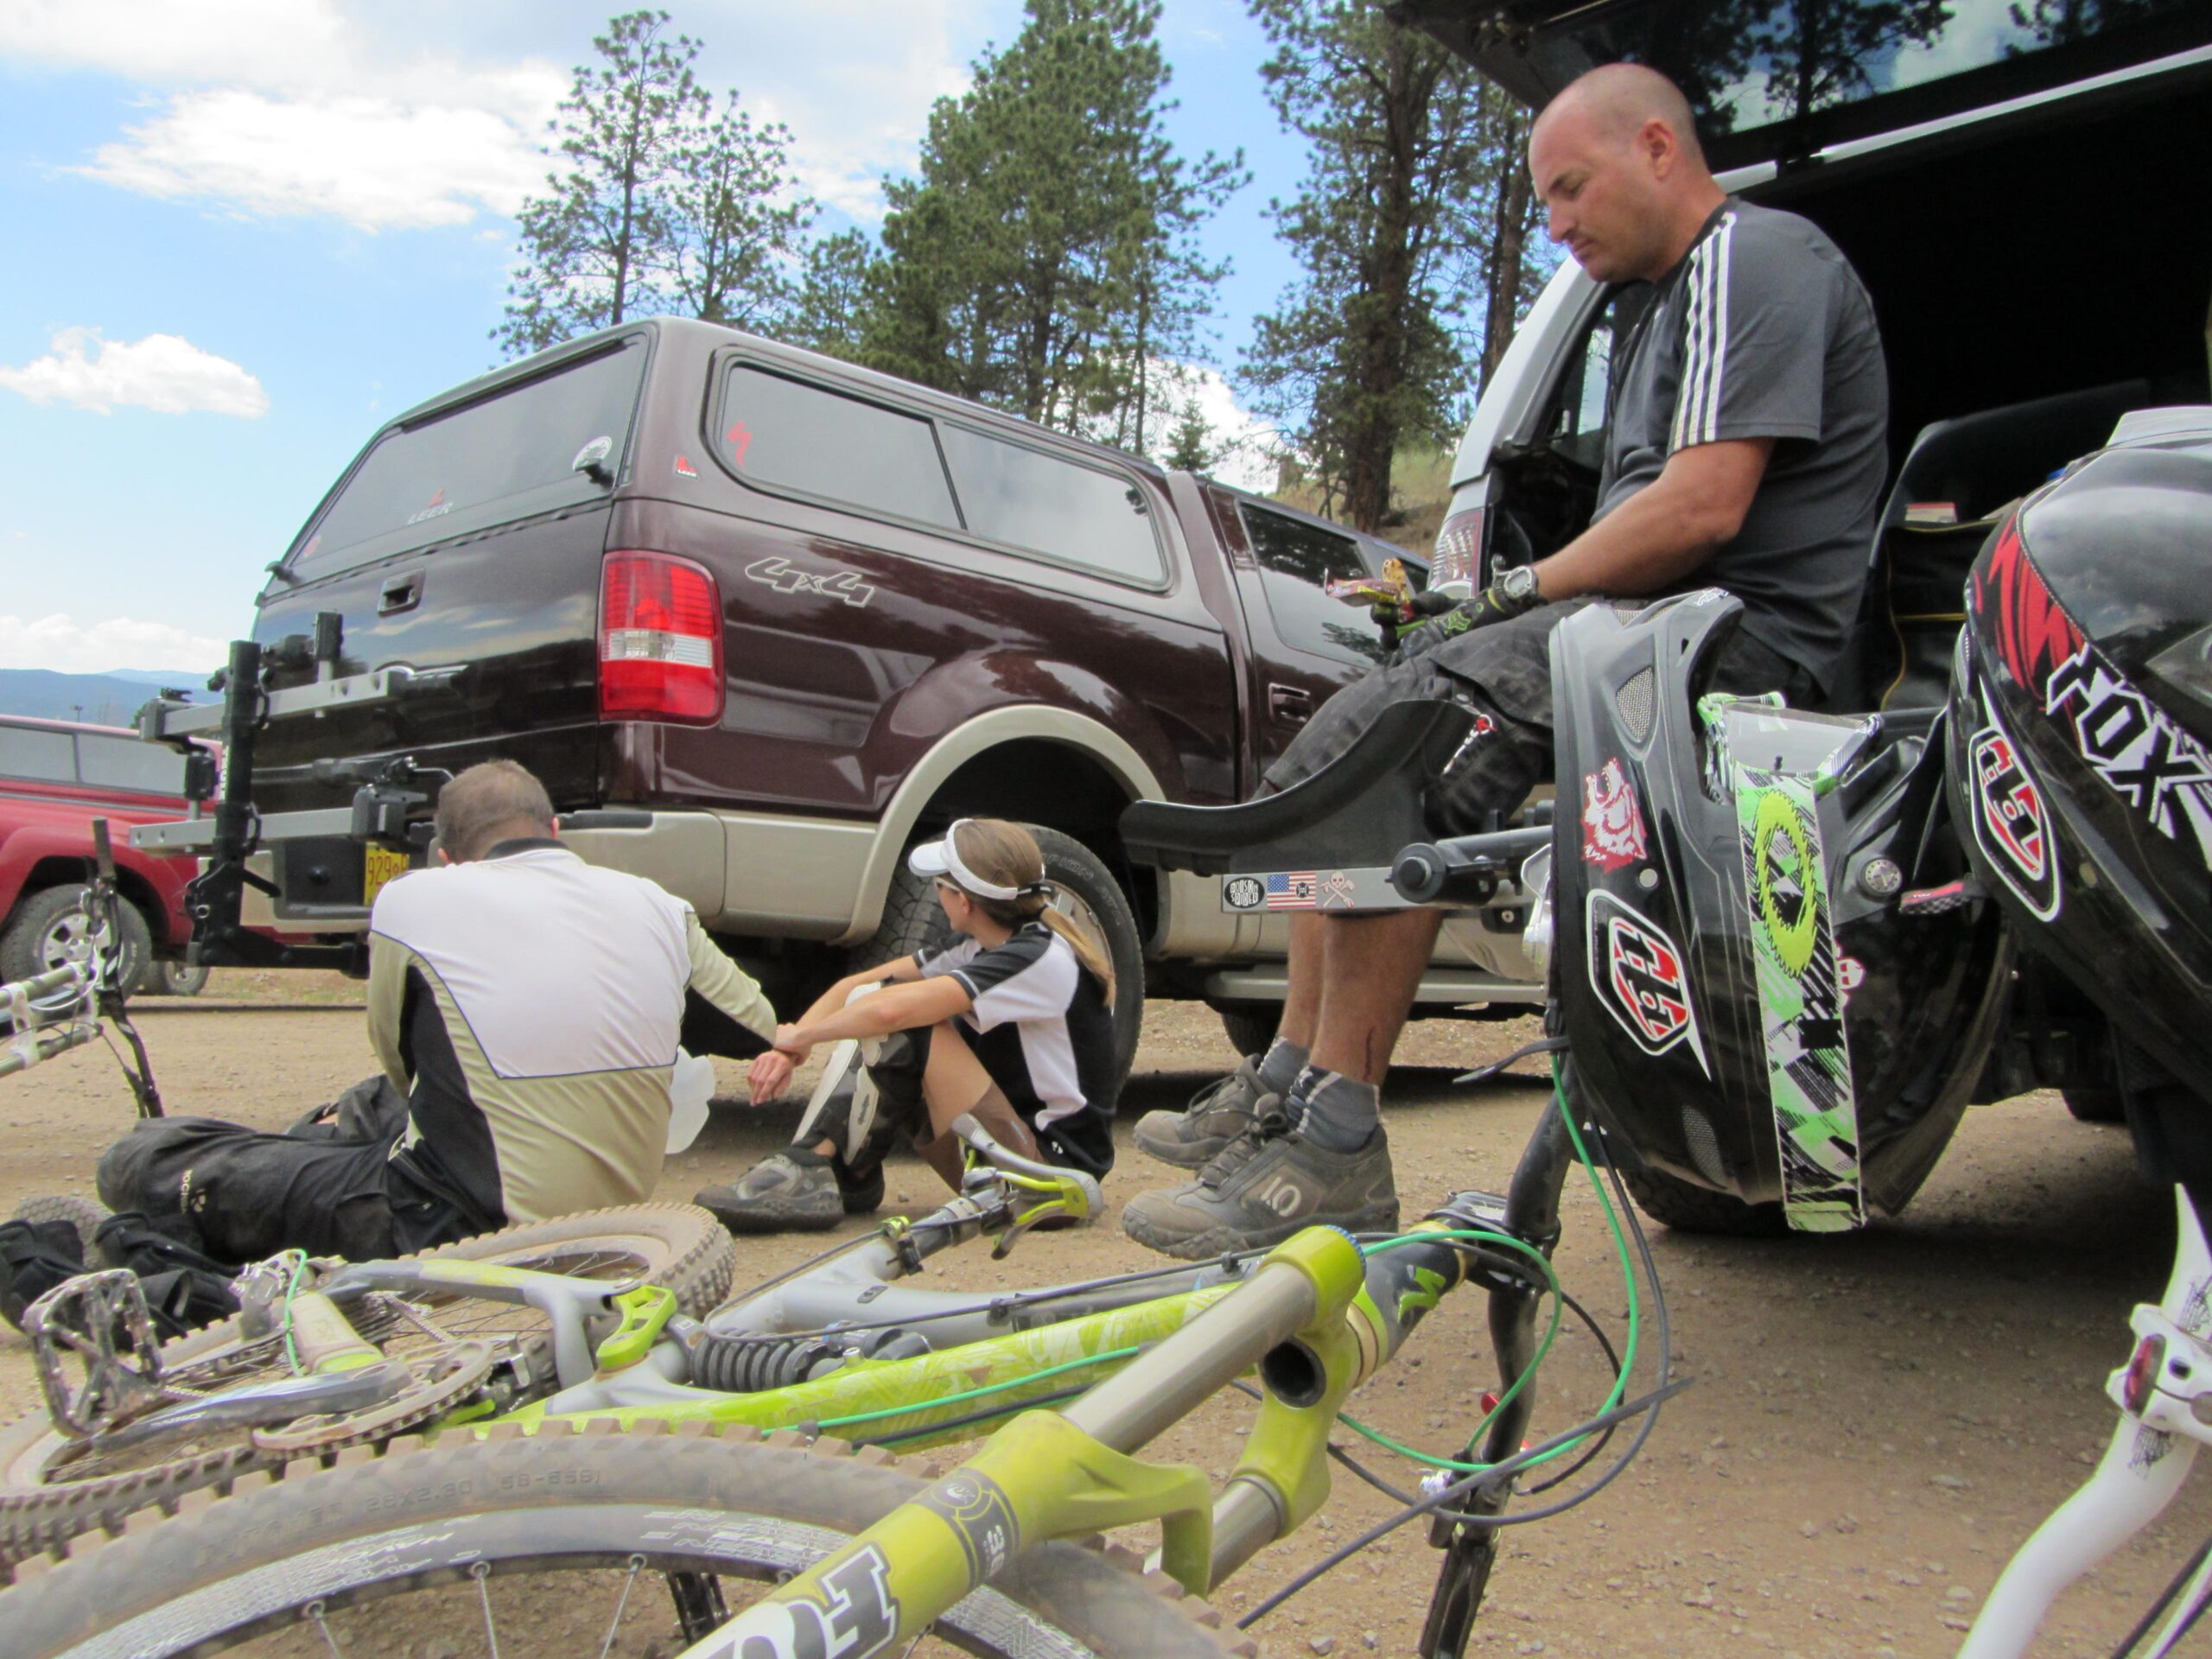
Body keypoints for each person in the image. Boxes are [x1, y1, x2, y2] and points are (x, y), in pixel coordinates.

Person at [1120, 61, 1890, 1260]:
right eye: (1543, 205)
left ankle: (1333, 1142)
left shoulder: (1756, 258)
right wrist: (1457, 610)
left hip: (1742, 639)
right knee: (1346, 734)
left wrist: (1509, 592)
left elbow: (1699, 511)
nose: (1558, 224)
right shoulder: (1650, 315)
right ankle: (1282, 1083)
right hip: (1649, 625)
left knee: (1412, 748)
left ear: (1657, 149)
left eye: (1569, 191)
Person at [94, 760, 783, 1260]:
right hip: (619, 1202)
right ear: (555, 828)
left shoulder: (413, 898)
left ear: (448, 854)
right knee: (375, 1101)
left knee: (145, 1156)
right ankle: (325, 1140)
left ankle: (264, 1160)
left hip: (461, 1215)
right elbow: (758, 1026)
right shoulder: (655, 902)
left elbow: (398, 1059)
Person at [696, 818, 1116, 1232]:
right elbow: (854, 985)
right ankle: (841, 1171)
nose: (935, 892)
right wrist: (788, 1048)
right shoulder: (983, 942)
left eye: (939, 885)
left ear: (963, 901)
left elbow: (894, 1014)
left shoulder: (1040, 956)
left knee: (908, 1022)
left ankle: (810, 1166)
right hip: (1016, 1159)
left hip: (1053, 1182)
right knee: (879, 1002)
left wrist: (803, 1035)